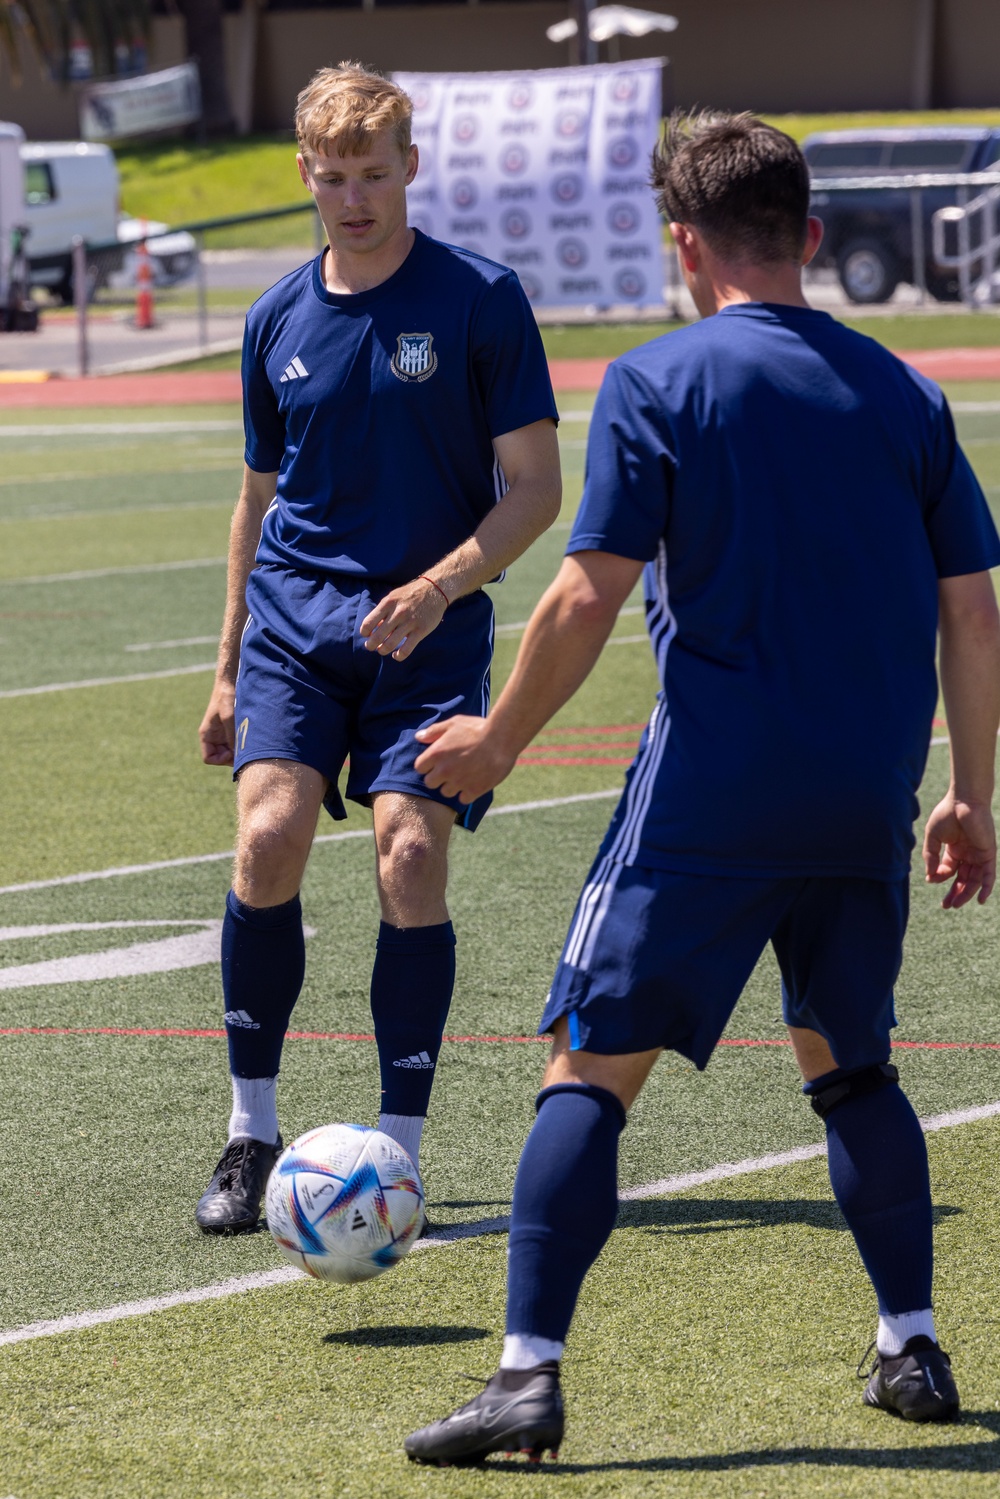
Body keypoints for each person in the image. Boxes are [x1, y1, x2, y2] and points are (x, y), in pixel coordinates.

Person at [403, 111, 1000, 1463]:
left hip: (712, 795)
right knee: (853, 1066)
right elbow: (975, 615)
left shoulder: (661, 379)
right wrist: (968, 794)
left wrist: (494, 741)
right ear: (809, 235)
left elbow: (582, 589)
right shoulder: (907, 392)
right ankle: (911, 1337)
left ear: (685, 245)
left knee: (585, 1069)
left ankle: (524, 1373)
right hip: (866, 794)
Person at [195, 62, 560, 1233]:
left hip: (430, 635)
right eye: (332, 177)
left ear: (411, 166)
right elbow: (256, 502)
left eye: (373, 173)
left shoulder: (480, 300)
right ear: (307, 176)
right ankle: (251, 1131)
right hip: (295, 627)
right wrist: (222, 664)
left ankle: (394, 1157)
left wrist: (439, 585)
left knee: (408, 855)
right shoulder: (274, 319)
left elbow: (535, 490)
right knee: (268, 836)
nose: (354, 197)